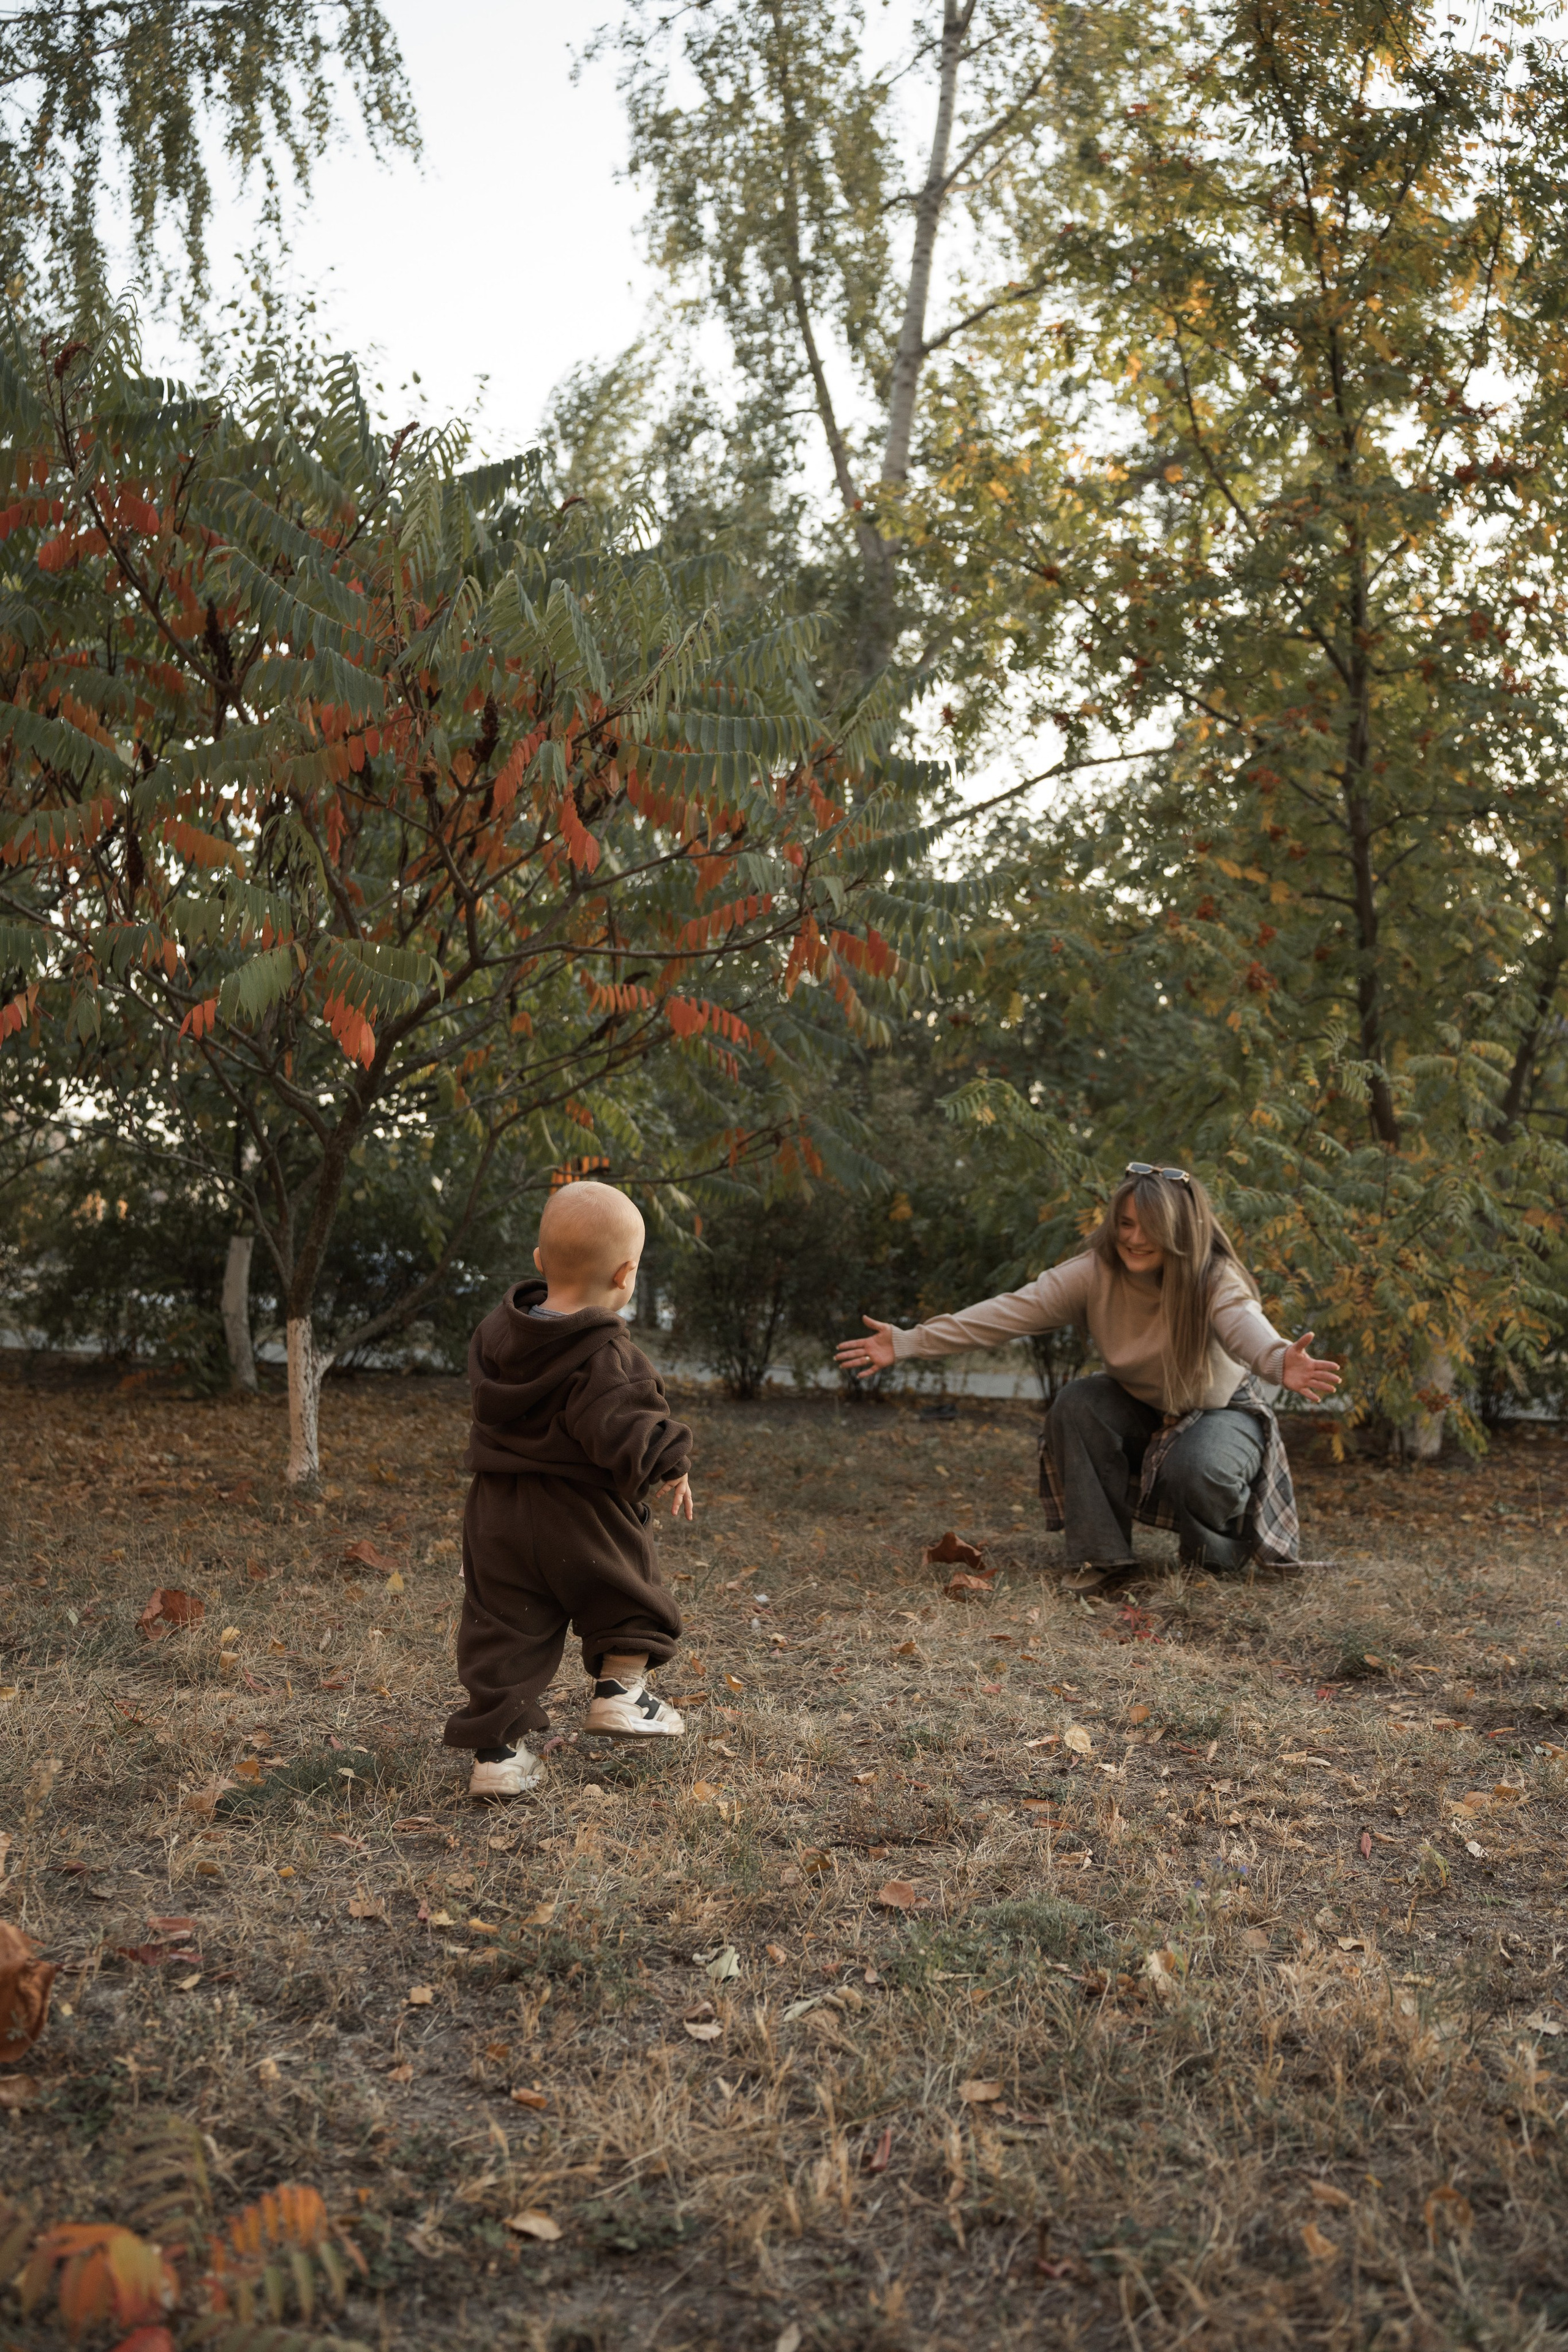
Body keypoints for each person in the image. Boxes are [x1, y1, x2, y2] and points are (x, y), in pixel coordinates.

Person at [835, 1163, 1340, 1591]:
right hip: (1139, 1405)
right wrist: (907, 1341)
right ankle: (1104, 1561)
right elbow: (1009, 1312)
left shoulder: (1212, 1278)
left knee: (1197, 1466)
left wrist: (1278, 1359)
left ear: (1181, 1230)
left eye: (1149, 1228)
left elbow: (1242, 1323)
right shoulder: (1094, 1271)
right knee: (1077, 1402)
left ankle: (1216, 1561)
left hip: (1221, 1411)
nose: (1133, 1239)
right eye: (1124, 1224)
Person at [444, 1180, 695, 1798]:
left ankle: (497, 1755)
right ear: (626, 1273)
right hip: (580, 1509)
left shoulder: (496, 1336)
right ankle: (619, 1692)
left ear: (538, 1261)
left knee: (501, 1623)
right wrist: (670, 1460)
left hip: (496, 1510)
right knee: (626, 1589)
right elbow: (620, 1421)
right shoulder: (605, 1350)